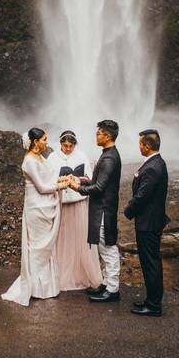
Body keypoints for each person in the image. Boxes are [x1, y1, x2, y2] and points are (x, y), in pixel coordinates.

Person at [1, 128, 71, 306]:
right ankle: (34, 287)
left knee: (46, 247)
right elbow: (41, 187)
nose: (47, 143)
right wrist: (63, 186)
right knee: (38, 247)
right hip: (36, 207)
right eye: (45, 139)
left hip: (45, 205)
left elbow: (48, 180)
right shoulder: (29, 161)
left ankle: (45, 288)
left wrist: (63, 179)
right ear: (35, 142)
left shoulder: (40, 157)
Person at [66, 119, 122, 303]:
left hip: (104, 210)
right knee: (104, 248)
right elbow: (97, 181)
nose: (96, 136)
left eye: (98, 133)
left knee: (109, 249)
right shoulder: (108, 154)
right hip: (104, 209)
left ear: (107, 136)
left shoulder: (109, 158)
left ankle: (113, 290)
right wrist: (81, 180)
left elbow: (98, 188)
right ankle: (106, 284)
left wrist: (76, 188)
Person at [46, 130, 102, 291]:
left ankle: (80, 272)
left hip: (78, 200)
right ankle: (60, 272)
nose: (68, 149)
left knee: (79, 236)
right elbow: (47, 177)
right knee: (62, 236)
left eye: (71, 146)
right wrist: (62, 178)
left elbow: (90, 178)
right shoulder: (53, 157)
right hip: (62, 200)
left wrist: (79, 178)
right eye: (65, 146)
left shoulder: (82, 156)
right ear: (60, 144)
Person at [124, 128, 169, 317]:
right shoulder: (157, 162)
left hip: (148, 223)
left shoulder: (151, 167)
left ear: (147, 146)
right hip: (151, 221)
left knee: (150, 263)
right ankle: (151, 300)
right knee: (151, 261)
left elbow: (142, 196)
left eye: (140, 144)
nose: (139, 147)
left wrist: (128, 210)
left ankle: (153, 305)